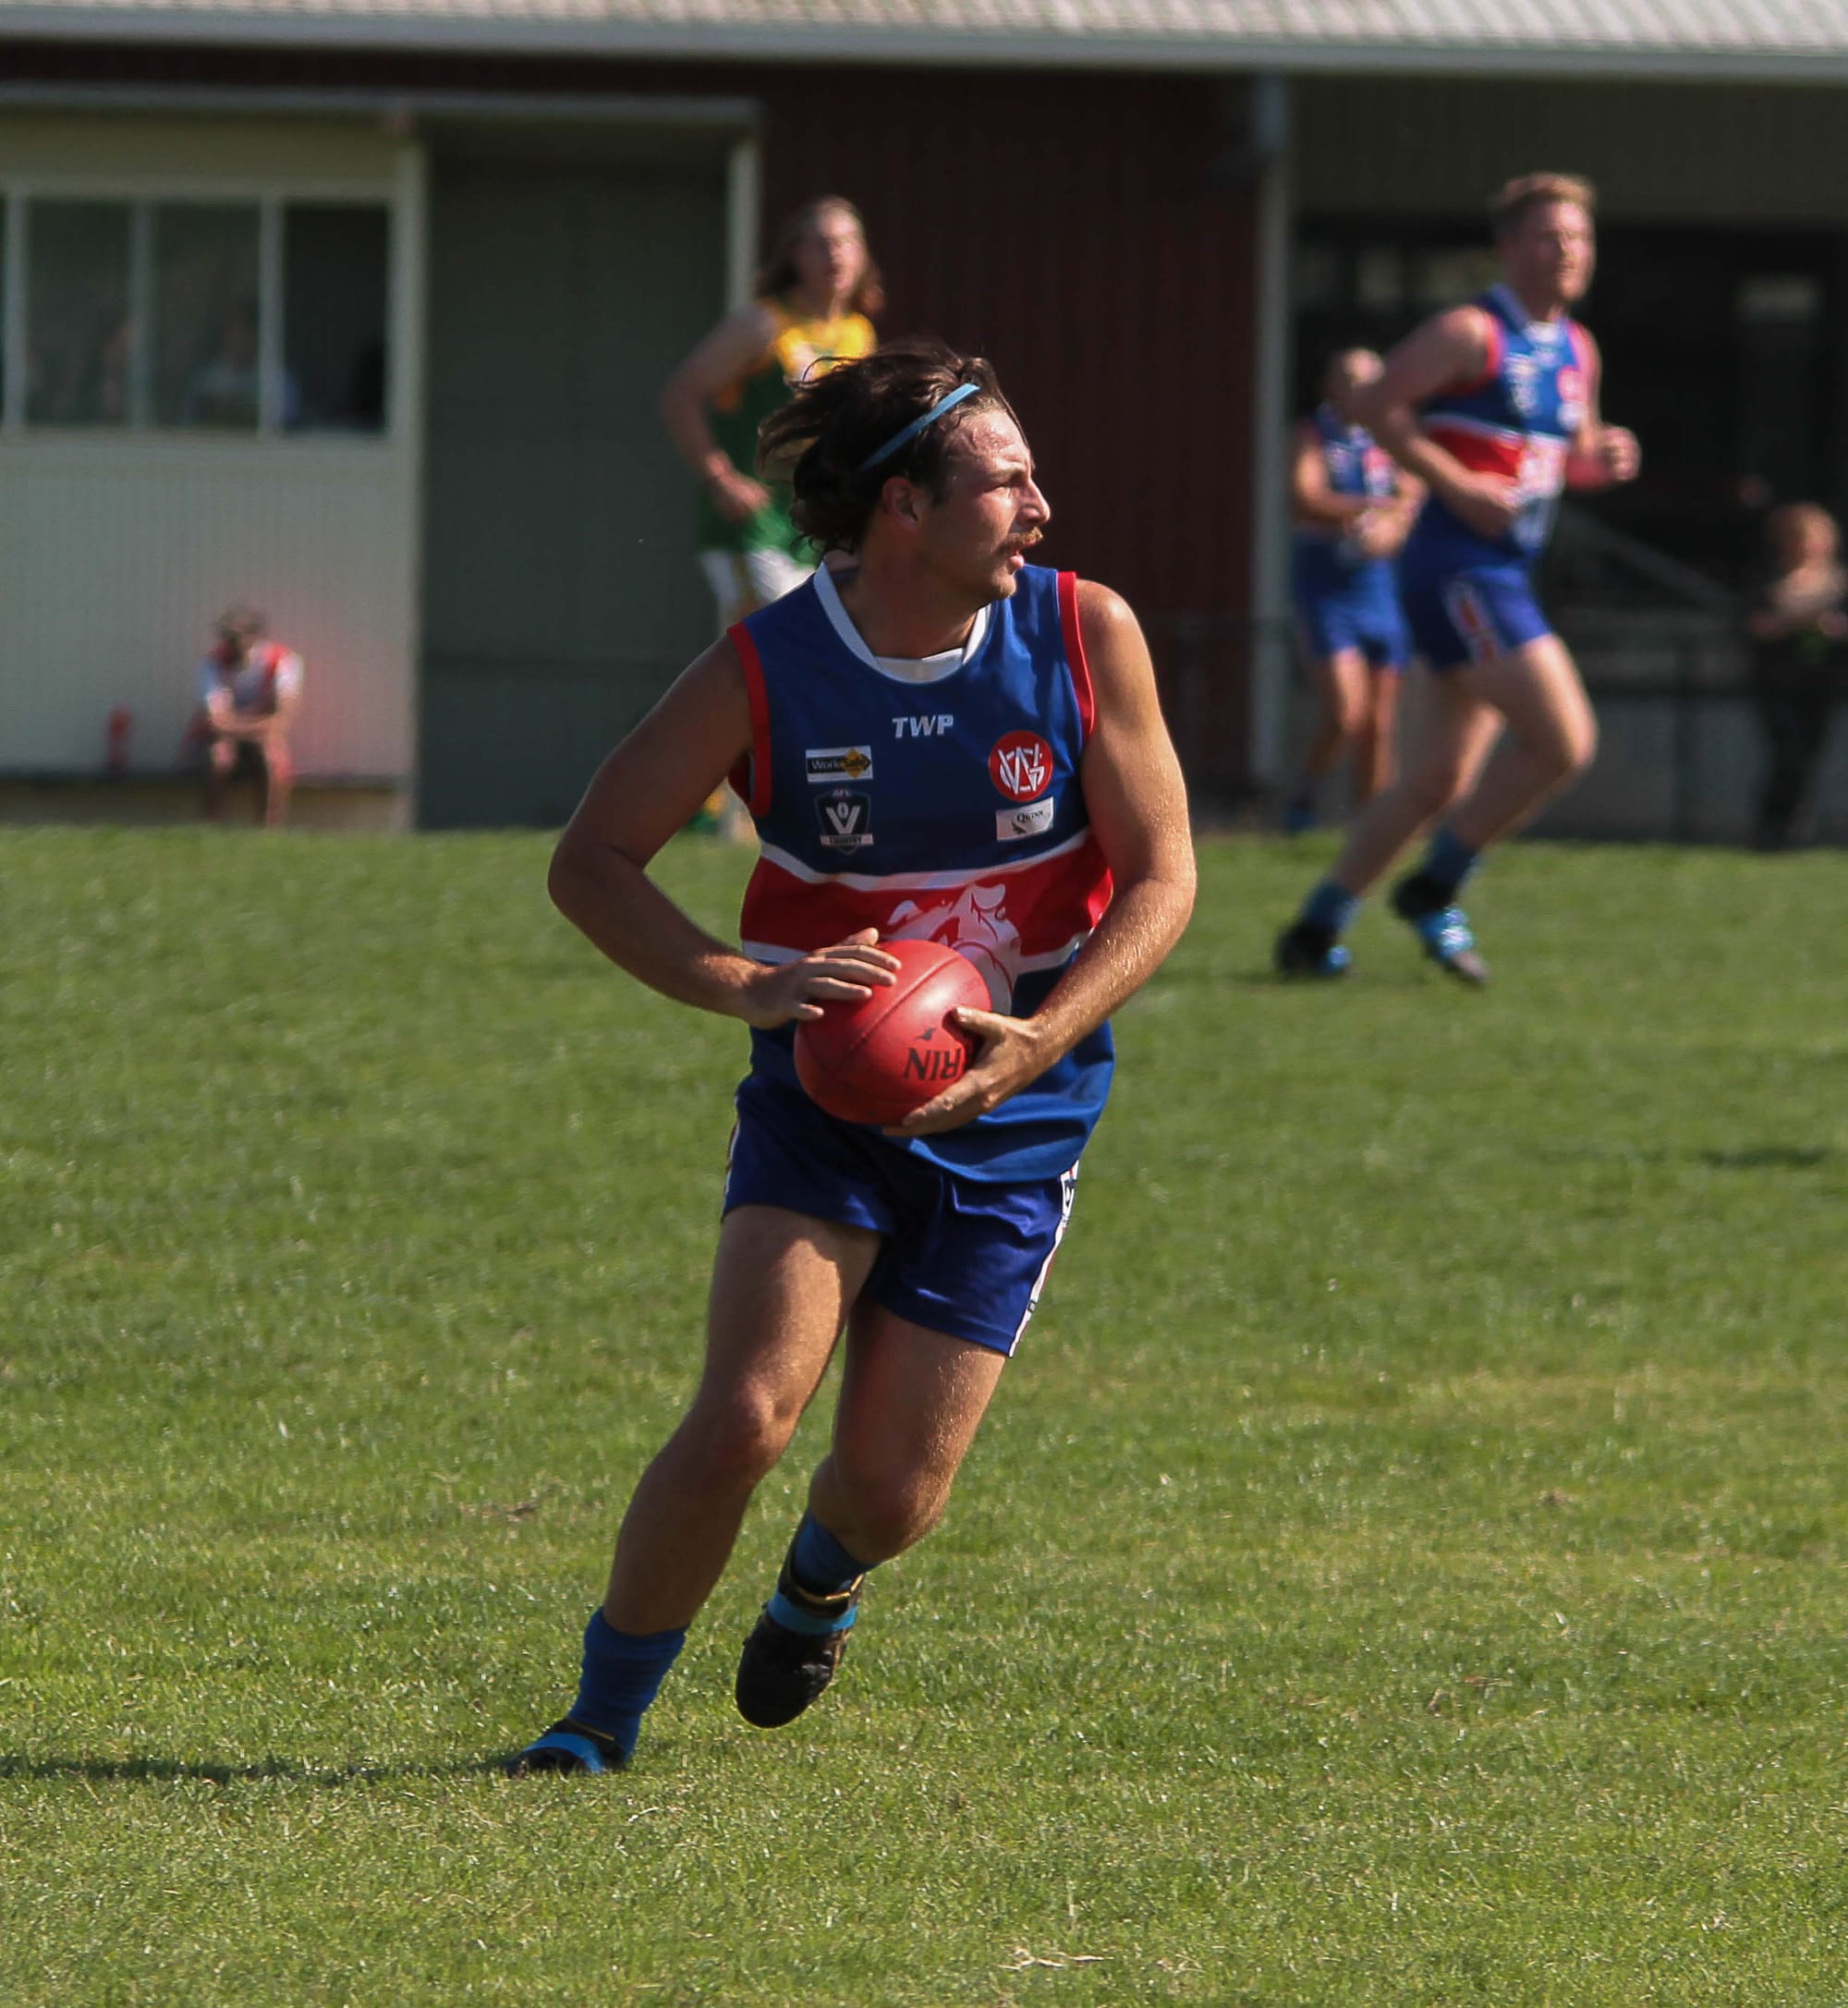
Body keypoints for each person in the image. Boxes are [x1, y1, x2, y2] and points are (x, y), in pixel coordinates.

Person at [513, 339, 1196, 1775]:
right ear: (903, 508)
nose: (1041, 505)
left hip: (1019, 1109)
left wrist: (1042, 1042)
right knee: (747, 1412)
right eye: (1006, 481)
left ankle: (821, 1581)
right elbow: (594, 862)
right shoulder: (770, 664)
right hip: (825, 1101)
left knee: (890, 1491)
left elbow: (1163, 880)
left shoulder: (1085, 634)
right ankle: (594, 1722)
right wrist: (747, 986)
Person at [1274, 174, 1640, 984]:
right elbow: (1371, 404)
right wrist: (1454, 482)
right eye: (1548, 237)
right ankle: (1436, 884)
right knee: (1565, 741)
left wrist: (1604, 455)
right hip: (1458, 570)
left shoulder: (1577, 347)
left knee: (1438, 778)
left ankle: (1313, 928)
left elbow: (1568, 456)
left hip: (1504, 567)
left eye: (1578, 238)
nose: (1568, 252)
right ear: (1509, 248)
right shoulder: (1471, 331)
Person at [661, 195, 881, 633]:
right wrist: (720, 478)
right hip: (756, 522)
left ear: (861, 254)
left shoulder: (859, 333)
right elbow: (679, 394)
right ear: (795, 254)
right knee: (776, 646)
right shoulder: (763, 325)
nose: (834, 254)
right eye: (819, 243)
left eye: (845, 242)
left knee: (813, 649)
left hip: (815, 523)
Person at [1281, 348, 1423, 832]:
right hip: (1327, 589)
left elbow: (1414, 493)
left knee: (1380, 723)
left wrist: (1395, 523)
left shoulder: (1390, 434)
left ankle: (1370, 828)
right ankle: (1305, 794)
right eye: (1351, 379)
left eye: (1371, 380)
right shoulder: (1313, 434)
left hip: (1379, 588)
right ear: (1331, 387)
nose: (1363, 390)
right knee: (1346, 712)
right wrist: (1371, 508)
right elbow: (1306, 496)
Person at [1745, 502, 1847, 850]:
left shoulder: (1837, 584)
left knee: (1809, 756)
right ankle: (1773, 830)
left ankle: (1793, 831)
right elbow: (1754, 626)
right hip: (1778, 683)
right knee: (1787, 754)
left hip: (1822, 683)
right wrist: (1797, 621)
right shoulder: (1768, 581)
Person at [191, 606, 302, 828]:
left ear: (255, 636)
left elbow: (282, 719)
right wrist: (257, 725)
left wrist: (236, 723)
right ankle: (212, 828)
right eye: (225, 636)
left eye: (234, 636)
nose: (229, 643)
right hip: (232, 738)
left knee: (273, 759)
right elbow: (215, 722)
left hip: (261, 738)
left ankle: (269, 831)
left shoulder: (282, 661)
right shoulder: (212, 663)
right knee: (219, 759)